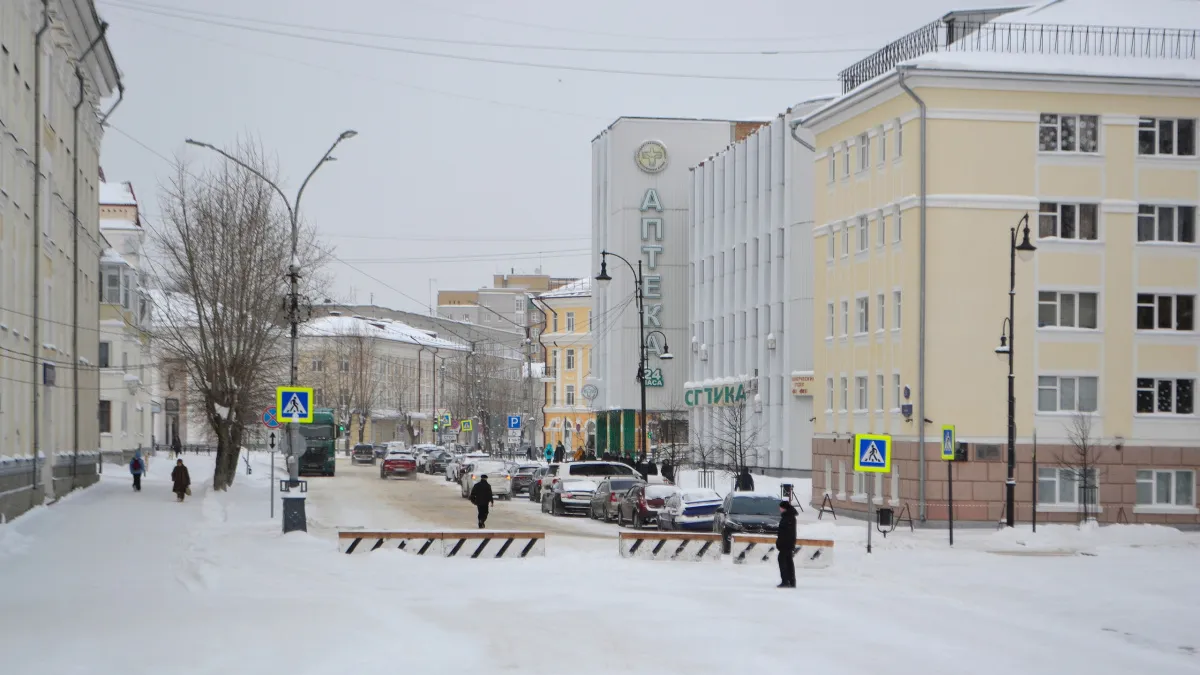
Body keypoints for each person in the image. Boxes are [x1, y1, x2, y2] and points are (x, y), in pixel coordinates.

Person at [776, 500, 798, 588]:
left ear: (784, 508)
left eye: (780, 507)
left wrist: (780, 543)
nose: (779, 509)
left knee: (783, 560)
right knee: (788, 561)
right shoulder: (789, 516)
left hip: (786, 544)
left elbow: (786, 533)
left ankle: (786, 581)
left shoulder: (788, 517)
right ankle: (791, 581)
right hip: (788, 543)